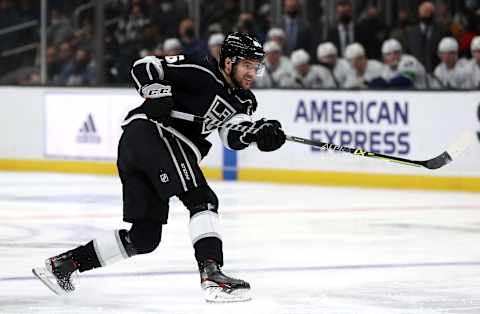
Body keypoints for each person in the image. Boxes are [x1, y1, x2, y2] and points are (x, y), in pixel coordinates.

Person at [32, 32, 286, 303]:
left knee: (144, 238)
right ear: (228, 62)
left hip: (145, 147)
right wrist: (156, 91)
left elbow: (232, 135)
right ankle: (212, 273)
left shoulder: (244, 100)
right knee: (202, 200)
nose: (252, 72)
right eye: (247, 65)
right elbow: (144, 66)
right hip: (152, 134)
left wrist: (258, 133)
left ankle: (64, 265)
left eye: (256, 66)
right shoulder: (199, 68)